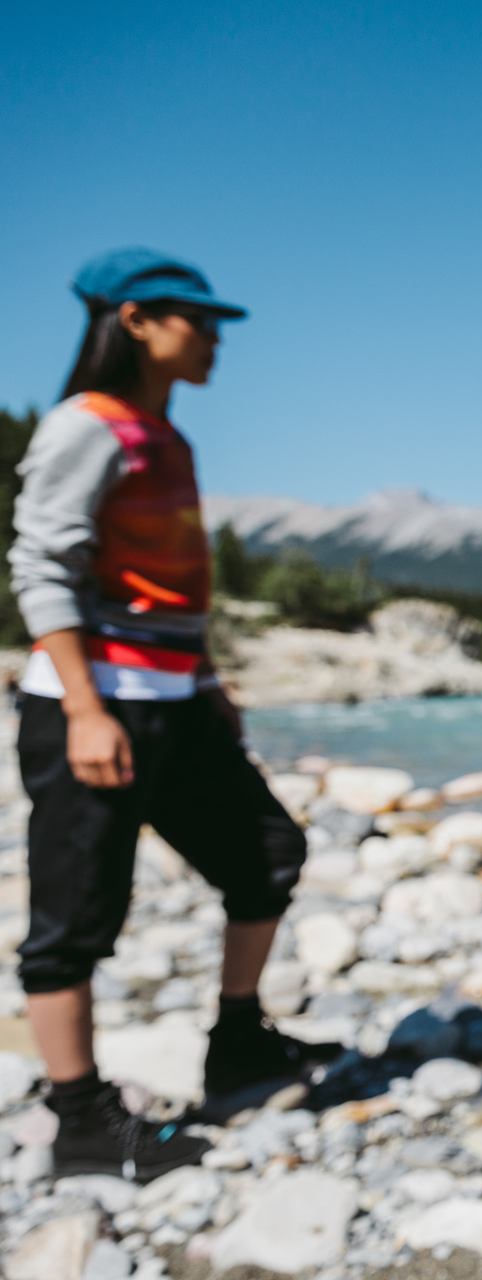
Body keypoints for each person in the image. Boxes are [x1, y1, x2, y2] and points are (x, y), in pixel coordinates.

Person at [9, 248, 340, 1182]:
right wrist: (82, 707)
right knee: (76, 919)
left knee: (268, 855)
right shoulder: (88, 426)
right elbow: (42, 567)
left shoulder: (168, 436)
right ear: (135, 321)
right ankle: (78, 1122)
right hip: (94, 707)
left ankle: (237, 1047)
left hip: (173, 703)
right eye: (197, 318)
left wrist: (205, 680)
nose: (215, 337)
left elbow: (163, 591)